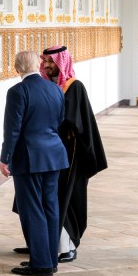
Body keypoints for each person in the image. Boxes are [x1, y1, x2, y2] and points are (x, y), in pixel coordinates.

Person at [0, 50, 68, 276]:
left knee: (32, 209)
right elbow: (60, 120)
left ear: (17, 69)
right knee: (51, 207)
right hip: (54, 154)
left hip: (29, 158)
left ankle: (40, 263)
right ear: (37, 66)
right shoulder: (55, 89)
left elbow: (12, 129)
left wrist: (4, 158)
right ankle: (51, 260)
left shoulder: (18, 91)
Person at [40, 45, 107, 263]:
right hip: (48, 152)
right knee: (44, 197)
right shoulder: (45, 84)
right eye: (46, 62)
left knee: (64, 198)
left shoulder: (74, 87)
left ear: (62, 63)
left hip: (70, 154)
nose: (48, 66)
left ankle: (67, 246)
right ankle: (43, 241)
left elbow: (74, 123)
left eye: (52, 62)